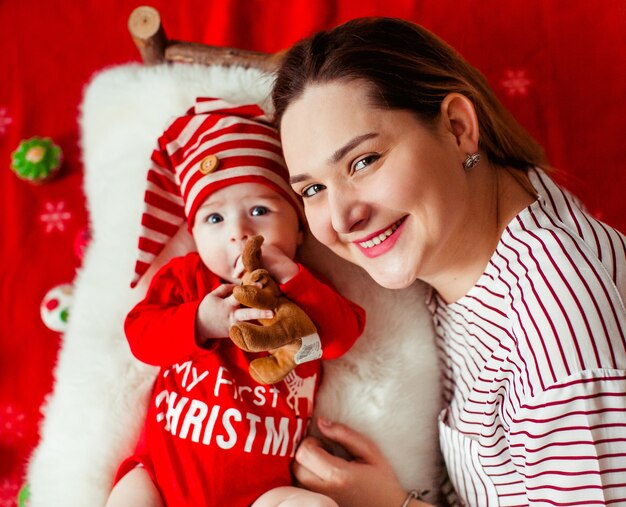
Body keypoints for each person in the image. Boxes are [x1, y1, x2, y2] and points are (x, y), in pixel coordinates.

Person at [271, 17, 626, 507]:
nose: (340, 219)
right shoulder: (466, 235)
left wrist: (396, 506)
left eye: (363, 161)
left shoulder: (558, 315)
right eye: (312, 188)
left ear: (458, 129)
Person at [105, 98, 365, 507]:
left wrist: (296, 280)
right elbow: (140, 336)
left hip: (263, 494)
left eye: (259, 211)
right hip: (162, 479)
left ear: (299, 227)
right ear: (194, 233)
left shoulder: (307, 288)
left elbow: (340, 339)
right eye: (214, 219)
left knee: (315, 506)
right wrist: (201, 321)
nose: (240, 233)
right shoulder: (188, 279)